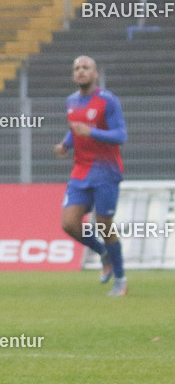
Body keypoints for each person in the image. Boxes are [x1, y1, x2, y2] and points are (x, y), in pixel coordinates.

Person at [53, 55, 127, 296]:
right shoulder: (71, 101)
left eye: (86, 68)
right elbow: (75, 128)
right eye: (76, 68)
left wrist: (92, 132)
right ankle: (103, 254)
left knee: (105, 225)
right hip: (81, 169)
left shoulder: (108, 100)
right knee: (70, 224)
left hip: (106, 170)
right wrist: (66, 144)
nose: (80, 71)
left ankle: (120, 278)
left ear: (95, 73)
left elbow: (121, 135)